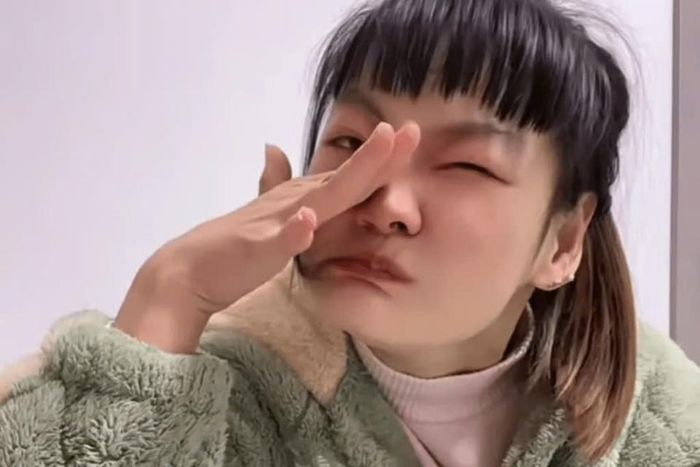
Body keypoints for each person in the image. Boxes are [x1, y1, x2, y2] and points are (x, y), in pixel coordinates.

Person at [1, 0, 698, 465]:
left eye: (465, 165)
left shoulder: (658, 420)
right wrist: (171, 290)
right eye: (351, 143)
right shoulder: (222, 389)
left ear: (565, 242)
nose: (387, 202)